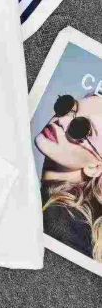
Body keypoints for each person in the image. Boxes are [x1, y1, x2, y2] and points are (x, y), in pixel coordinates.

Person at [35, 93, 102, 261]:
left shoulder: (57, 225)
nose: (61, 121)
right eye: (67, 106)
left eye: (80, 128)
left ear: (94, 167)